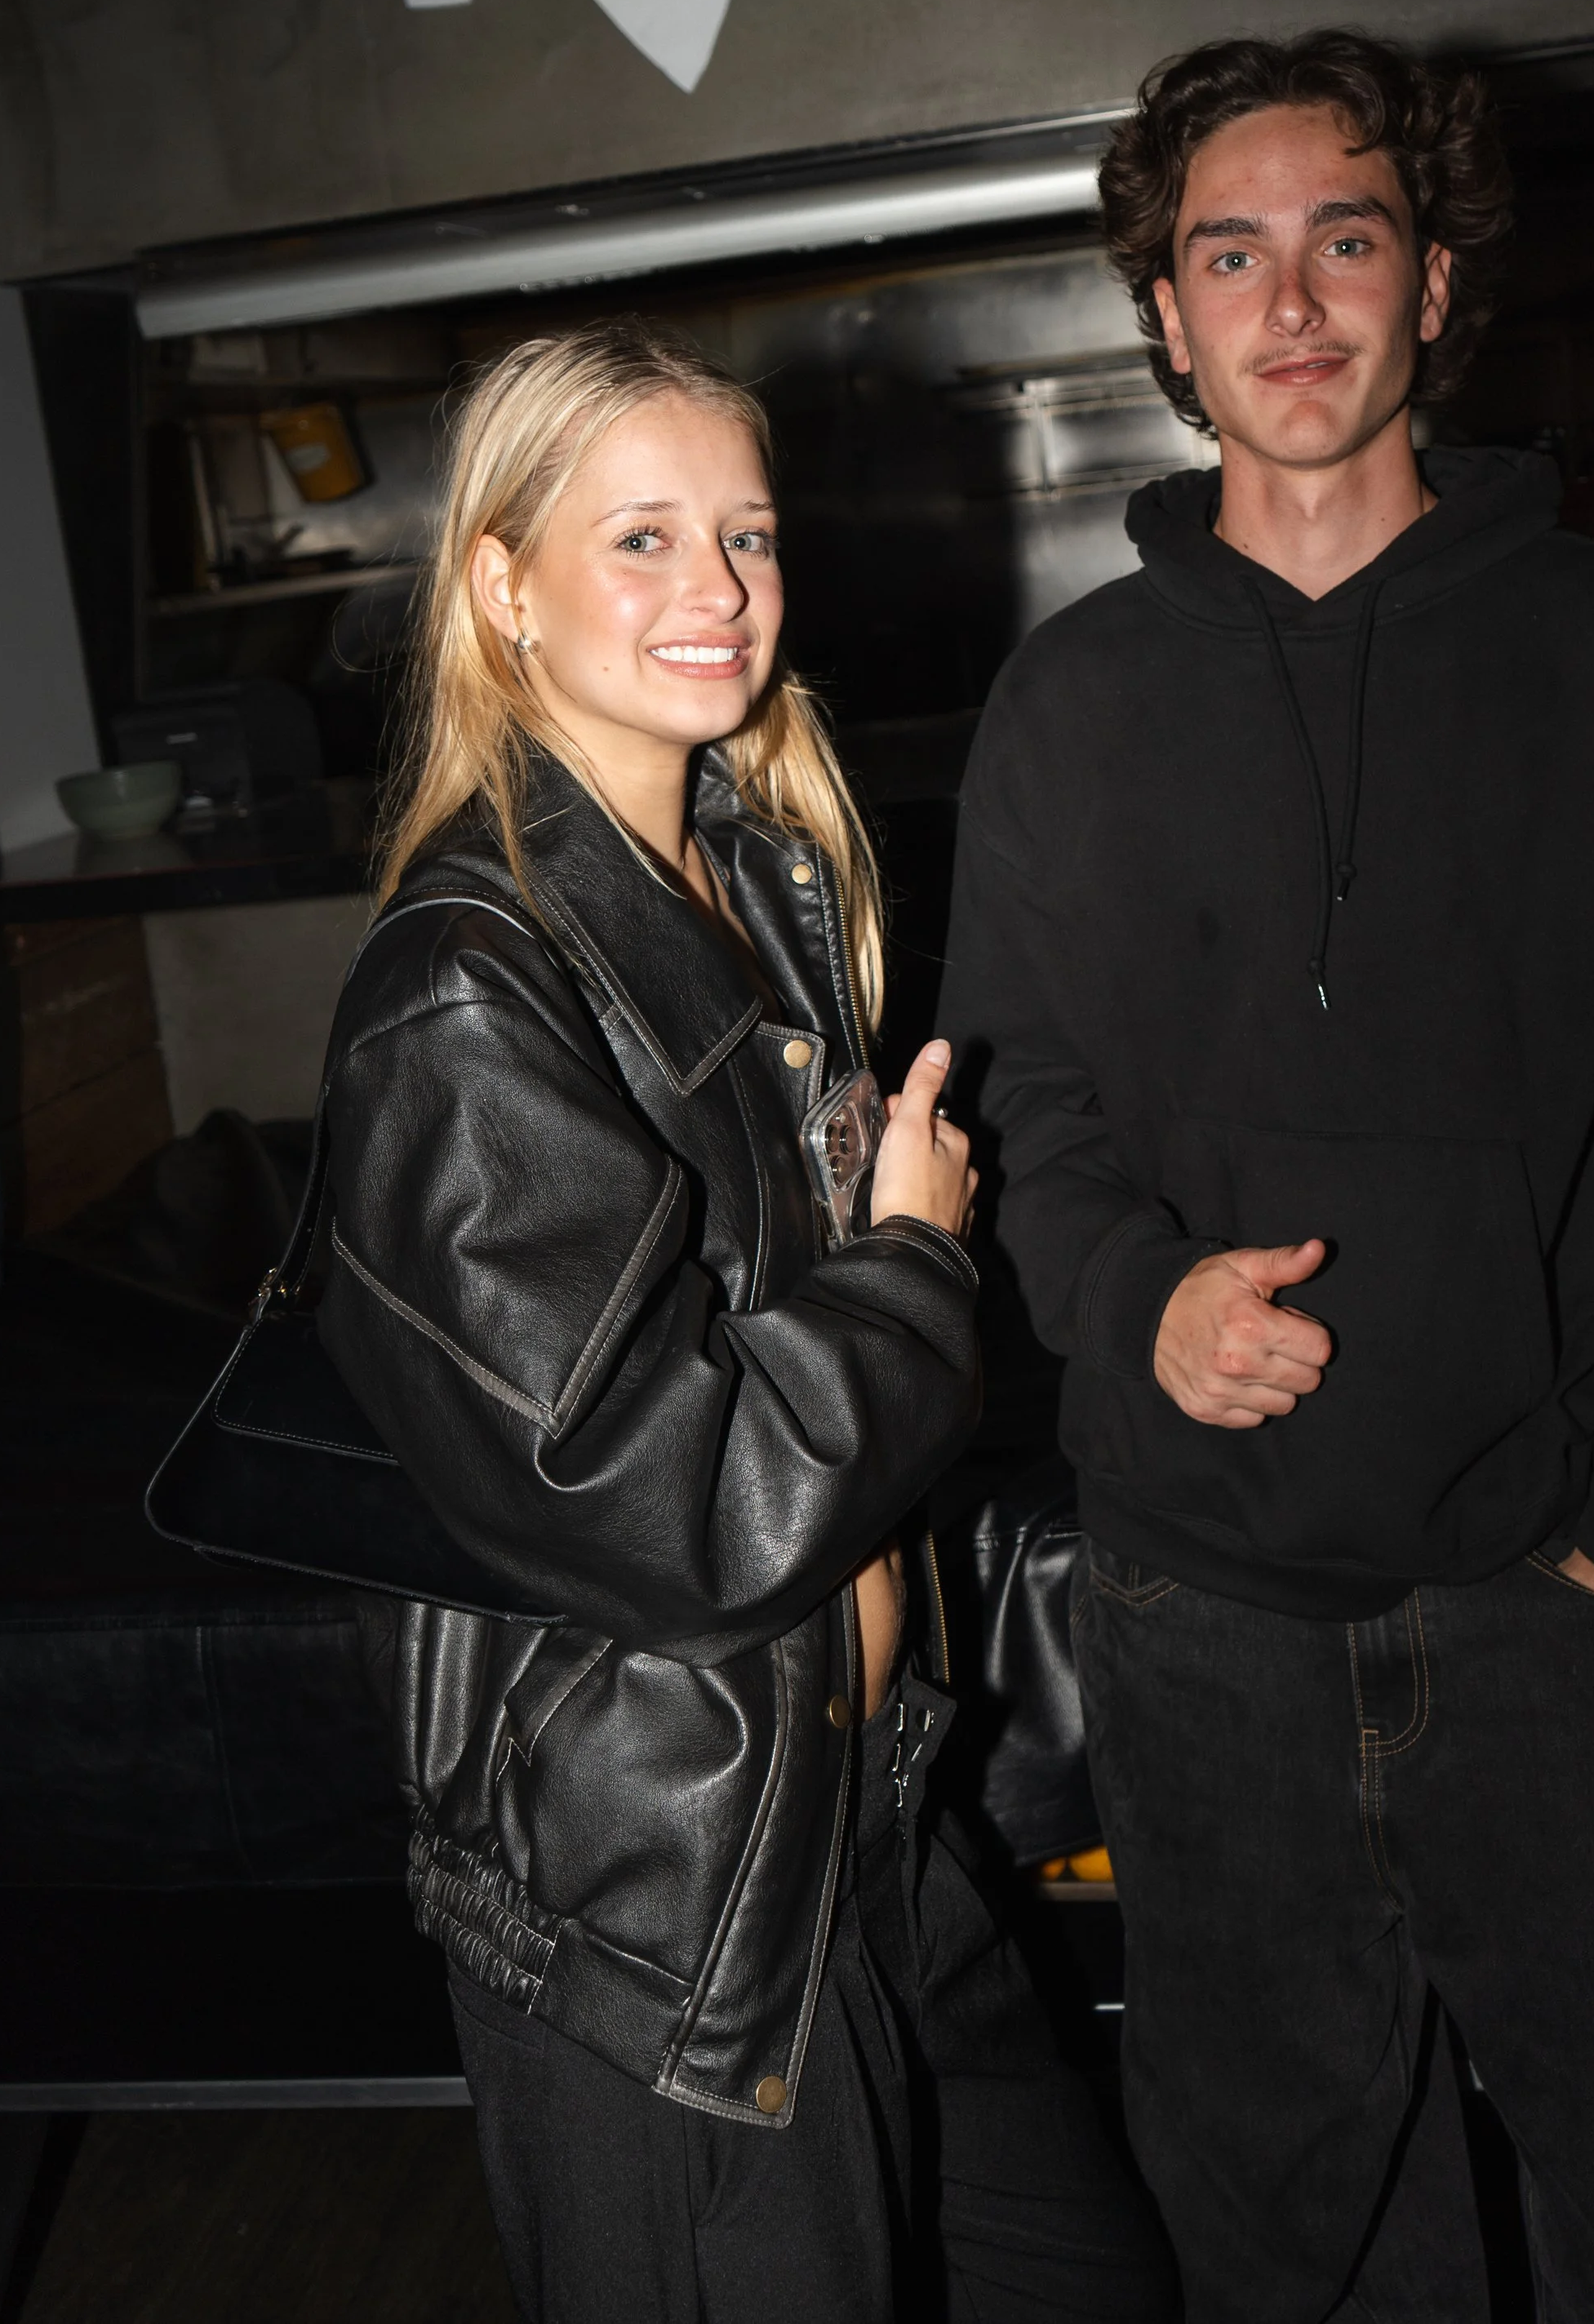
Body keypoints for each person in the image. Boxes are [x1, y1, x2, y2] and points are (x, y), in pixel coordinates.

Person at [938, 33, 1594, 2323]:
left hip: (1558, 1603)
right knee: (1295, 2249)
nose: (1289, 298)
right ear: (1161, 315)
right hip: (1193, 1626)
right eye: (1228, 251)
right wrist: (1138, 1304)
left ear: (1432, 284)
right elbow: (1026, 1104)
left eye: (1344, 238)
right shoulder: (1067, 703)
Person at [318, 319, 1174, 2324]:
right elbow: (666, 1504)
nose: (716, 593)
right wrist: (914, 1262)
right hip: (667, 1913)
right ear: (501, 584)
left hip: (865, 1821)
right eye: (642, 540)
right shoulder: (471, 988)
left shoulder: (753, 878)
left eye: (747, 535)